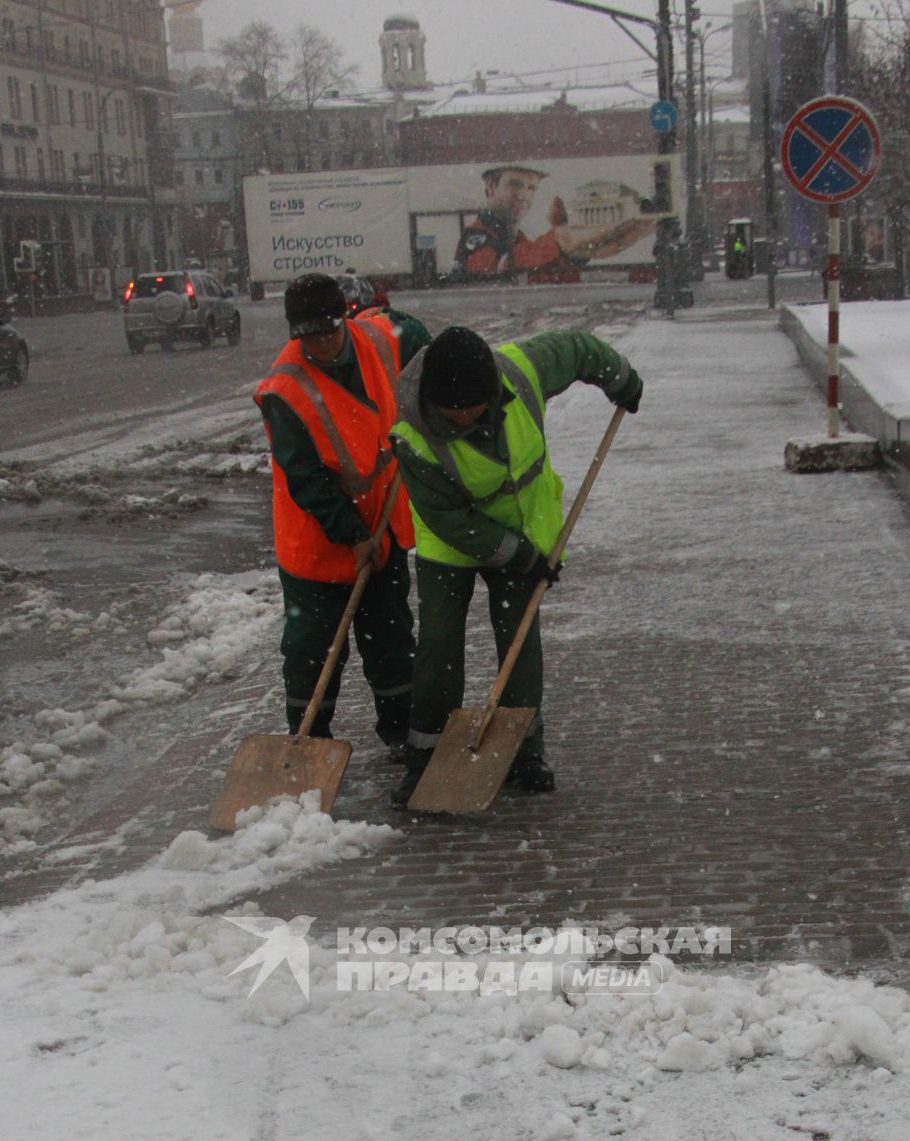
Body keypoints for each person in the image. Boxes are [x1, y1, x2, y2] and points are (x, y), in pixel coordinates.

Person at [388, 325, 643, 804]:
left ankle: (525, 749)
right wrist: (519, 555)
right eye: (453, 412)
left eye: (472, 408)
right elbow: (449, 519)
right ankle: (424, 756)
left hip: (524, 526)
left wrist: (620, 377)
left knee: (519, 639)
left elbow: (577, 348)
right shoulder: (412, 436)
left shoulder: (520, 371)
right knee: (440, 643)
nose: (463, 417)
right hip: (454, 541)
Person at [254, 272, 430, 750]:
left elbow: (415, 338)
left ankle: (402, 734)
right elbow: (307, 480)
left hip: (383, 527)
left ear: (345, 320)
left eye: (329, 330)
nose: (321, 343)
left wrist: (429, 389)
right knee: (312, 651)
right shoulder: (283, 389)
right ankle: (309, 741)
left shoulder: (376, 337)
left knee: (391, 640)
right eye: (308, 335)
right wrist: (353, 536)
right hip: (316, 543)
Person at [457, 164, 653, 281]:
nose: (524, 195)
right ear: (491, 187)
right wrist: (559, 242)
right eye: (514, 185)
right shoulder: (476, 237)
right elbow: (486, 276)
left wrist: (573, 255)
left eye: (532, 188)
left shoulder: (514, 238)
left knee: (605, 243)